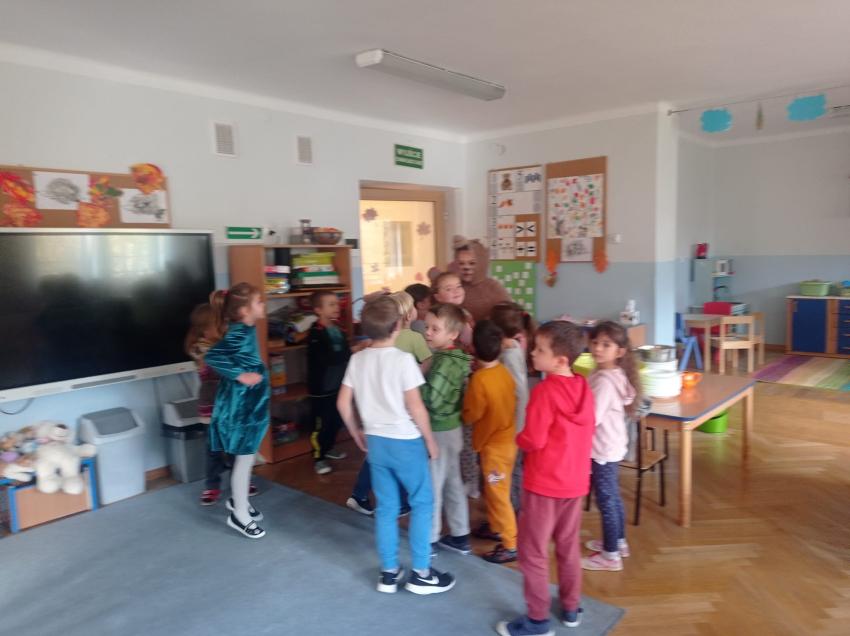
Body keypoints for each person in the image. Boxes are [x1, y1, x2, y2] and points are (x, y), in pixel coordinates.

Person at [337, 295, 455, 595]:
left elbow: (343, 403)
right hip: (406, 443)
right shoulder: (402, 360)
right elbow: (416, 407)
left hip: (376, 444)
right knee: (422, 503)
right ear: (397, 328)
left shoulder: (357, 359)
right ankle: (421, 573)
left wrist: (356, 432)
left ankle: (389, 572)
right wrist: (430, 440)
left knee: (387, 508)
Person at [496, 321, 595, 635]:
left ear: (560, 360)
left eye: (539, 350)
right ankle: (571, 607)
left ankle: (537, 621)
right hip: (575, 482)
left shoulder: (545, 392)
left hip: (544, 484)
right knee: (567, 546)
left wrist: (519, 439)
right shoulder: (583, 387)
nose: (533, 354)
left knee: (533, 552)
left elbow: (534, 439)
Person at [346, 291, 429, 516]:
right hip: (401, 411)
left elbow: (344, 400)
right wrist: (417, 377)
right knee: (403, 460)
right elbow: (428, 361)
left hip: (374, 412)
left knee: (375, 457)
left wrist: (354, 429)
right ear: (406, 316)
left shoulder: (370, 345)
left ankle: (359, 494)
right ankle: (401, 503)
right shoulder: (414, 338)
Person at [204, 282, 270, 539]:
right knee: (244, 458)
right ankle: (239, 515)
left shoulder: (246, 328)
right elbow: (213, 356)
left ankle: (238, 501)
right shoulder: (239, 332)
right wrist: (240, 375)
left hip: (251, 405)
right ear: (244, 311)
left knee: (247, 457)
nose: (263, 305)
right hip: (241, 408)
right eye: (259, 302)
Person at [185, 302, 260, 506]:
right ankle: (212, 485)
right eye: (220, 325)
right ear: (206, 329)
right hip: (211, 408)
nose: (224, 328)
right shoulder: (200, 349)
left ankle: (241, 481)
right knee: (214, 450)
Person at [582, 321, 639, 572]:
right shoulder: (610, 373)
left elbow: (591, 418)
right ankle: (618, 542)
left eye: (606, 344)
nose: (598, 348)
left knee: (606, 500)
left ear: (620, 351)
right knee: (613, 497)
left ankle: (610, 556)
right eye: (595, 342)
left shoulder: (604, 381)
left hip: (603, 449)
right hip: (611, 445)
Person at [462, 320, 518, 563]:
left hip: (494, 447)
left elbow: (472, 413)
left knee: (498, 494)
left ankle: (510, 544)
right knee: (495, 490)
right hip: (506, 443)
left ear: (473, 348)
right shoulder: (503, 371)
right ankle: (496, 527)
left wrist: (461, 411)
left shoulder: (479, 379)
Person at [421, 303, 472, 555]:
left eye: (435, 329)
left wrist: (414, 385)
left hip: (439, 431)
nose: (428, 332)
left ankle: (429, 538)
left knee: (433, 486)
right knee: (452, 483)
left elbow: (432, 398)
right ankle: (460, 535)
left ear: (453, 334)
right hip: (453, 429)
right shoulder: (455, 358)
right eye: (427, 327)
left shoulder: (443, 363)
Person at [431, 271, 479, 498]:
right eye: (448, 288)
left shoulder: (465, 315)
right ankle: (455, 478)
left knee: (467, 434)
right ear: (437, 295)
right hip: (446, 381)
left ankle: (470, 480)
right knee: (454, 434)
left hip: (465, 378)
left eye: (458, 286)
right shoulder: (436, 318)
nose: (456, 291)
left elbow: (472, 345)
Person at [490, 302, 532, 514]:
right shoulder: (512, 347)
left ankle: (511, 514)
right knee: (512, 469)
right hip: (515, 423)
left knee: (509, 471)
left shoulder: (509, 355)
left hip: (513, 425)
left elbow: (519, 392)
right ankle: (515, 512)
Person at [307, 290, 354, 476]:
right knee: (321, 424)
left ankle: (329, 448)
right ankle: (318, 457)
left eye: (337, 303)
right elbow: (326, 359)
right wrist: (352, 351)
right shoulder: (315, 333)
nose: (337, 307)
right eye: (331, 304)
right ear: (318, 310)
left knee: (336, 421)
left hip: (338, 386)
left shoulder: (339, 329)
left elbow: (345, 354)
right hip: (322, 389)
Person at [453, 239, 510, 322]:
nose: (466, 267)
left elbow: (509, 316)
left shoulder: (493, 287)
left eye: (472, 263)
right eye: (461, 263)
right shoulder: (454, 285)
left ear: (481, 264)